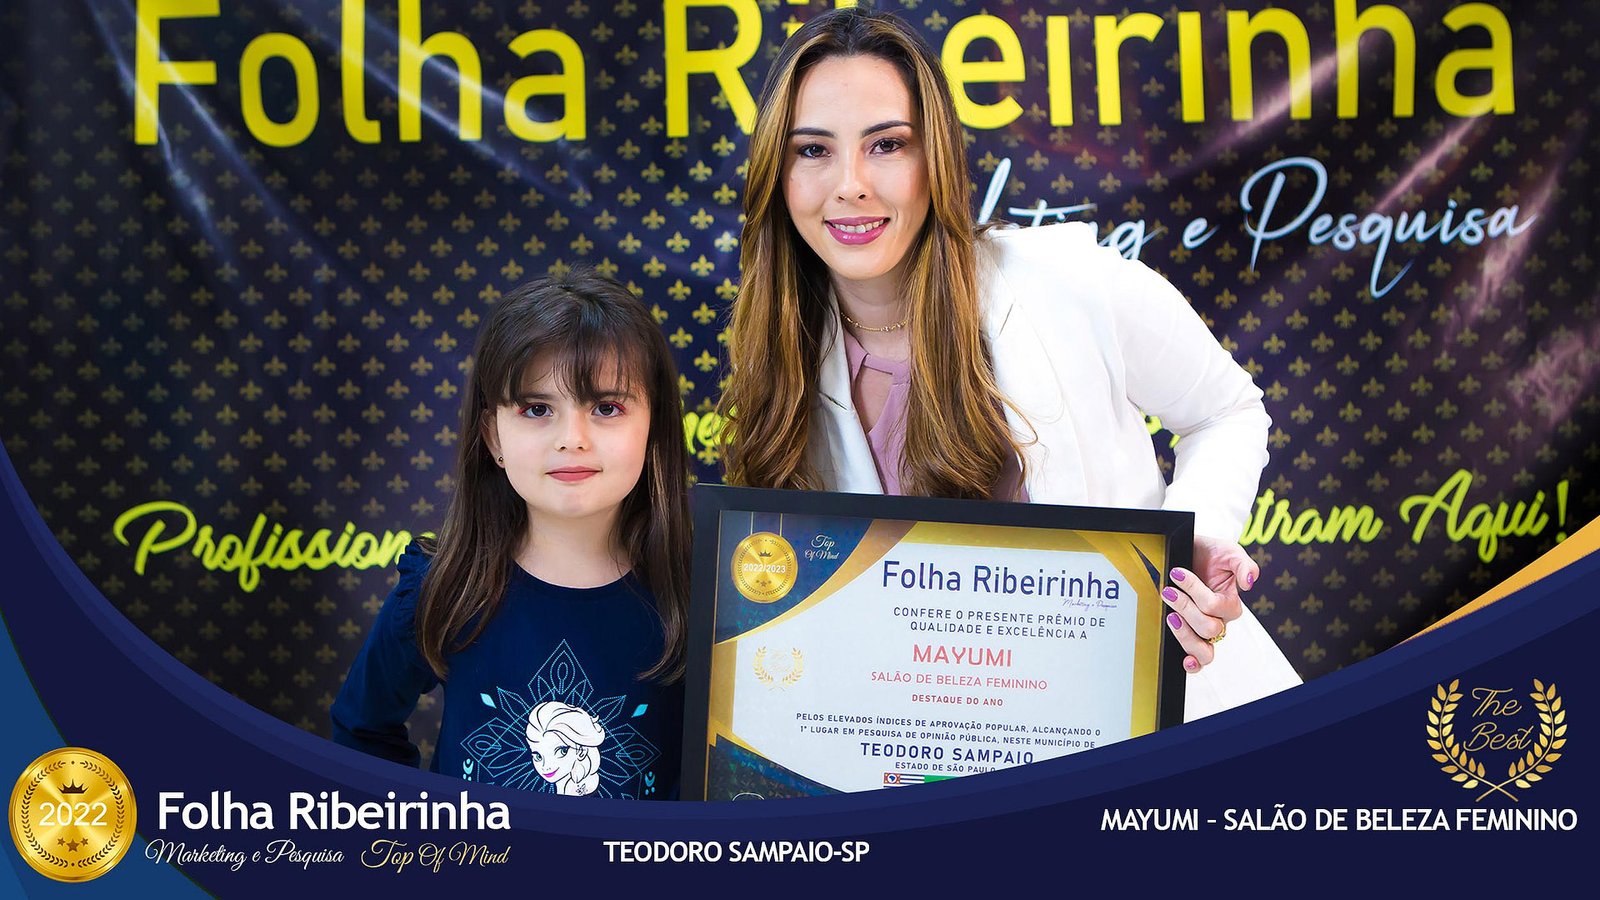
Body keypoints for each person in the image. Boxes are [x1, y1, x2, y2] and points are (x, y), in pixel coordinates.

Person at [719, 7, 1300, 719]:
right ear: (776, 173)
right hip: (944, 746)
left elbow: (1226, 411)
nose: (850, 184)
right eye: (813, 150)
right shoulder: (784, 356)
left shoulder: (1068, 279)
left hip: (1153, 720)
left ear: (936, 157)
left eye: (887, 144)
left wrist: (1190, 544)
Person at [332, 271, 688, 797]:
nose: (572, 439)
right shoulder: (441, 586)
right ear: (493, 438)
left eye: (606, 408)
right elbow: (361, 729)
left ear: (654, 429)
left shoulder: (705, 595)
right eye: (537, 409)